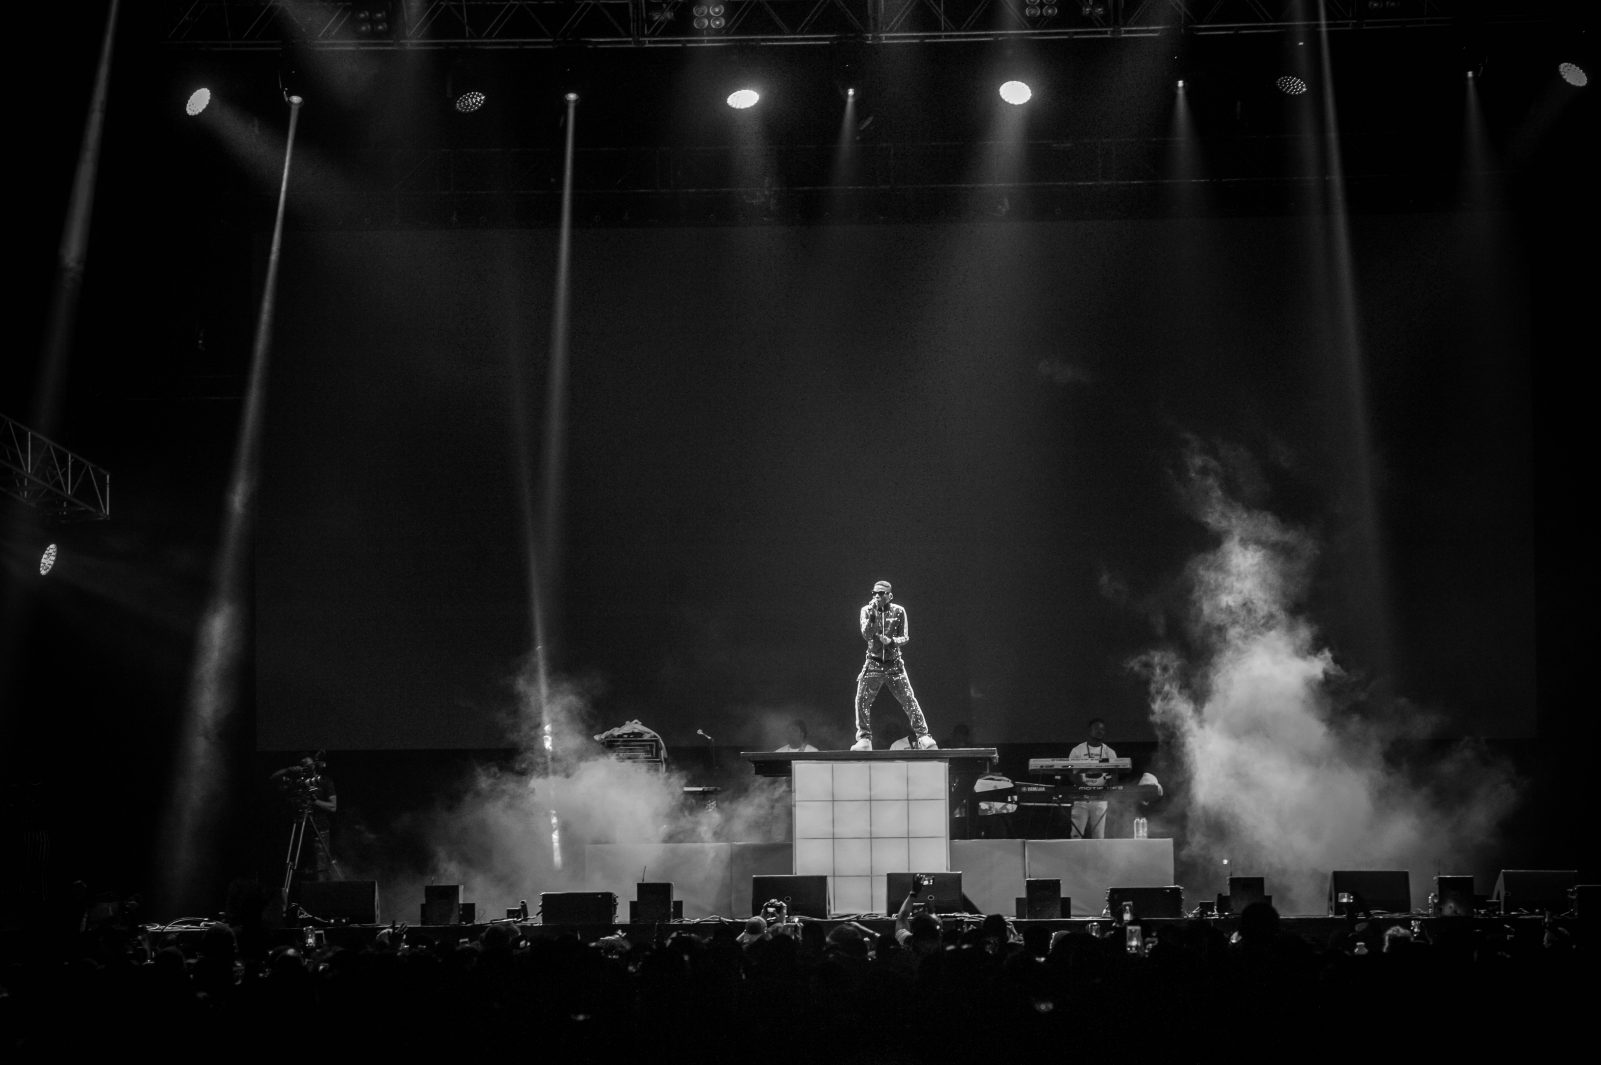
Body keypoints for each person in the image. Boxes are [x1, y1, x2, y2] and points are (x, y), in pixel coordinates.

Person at [851, 580, 936, 751]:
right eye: (874, 593)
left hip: (894, 664)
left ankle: (923, 736)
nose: (877, 596)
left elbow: (905, 637)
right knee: (861, 699)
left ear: (890, 595)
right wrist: (873, 615)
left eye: (881, 593)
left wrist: (891, 642)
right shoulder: (866, 611)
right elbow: (867, 635)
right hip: (874, 662)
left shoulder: (899, 611)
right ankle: (864, 739)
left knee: (908, 700)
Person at [271, 753, 339, 881]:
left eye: (309, 765)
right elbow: (272, 778)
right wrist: (289, 770)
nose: (307, 768)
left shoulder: (323, 781)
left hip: (319, 828)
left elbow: (333, 807)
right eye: (303, 766)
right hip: (297, 826)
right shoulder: (297, 782)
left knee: (320, 866)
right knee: (296, 864)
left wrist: (315, 801)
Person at [1066, 718, 1116, 839]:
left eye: (1103, 730)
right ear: (1089, 730)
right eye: (1097, 729)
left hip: (1100, 798)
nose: (1100, 732)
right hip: (1081, 798)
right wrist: (1085, 787)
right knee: (1076, 835)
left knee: (1099, 836)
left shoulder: (1109, 752)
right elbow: (1072, 774)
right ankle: (1076, 857)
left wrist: (1107, 788)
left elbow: (1114, 774)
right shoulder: (1077, 750)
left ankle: (1097, 857)